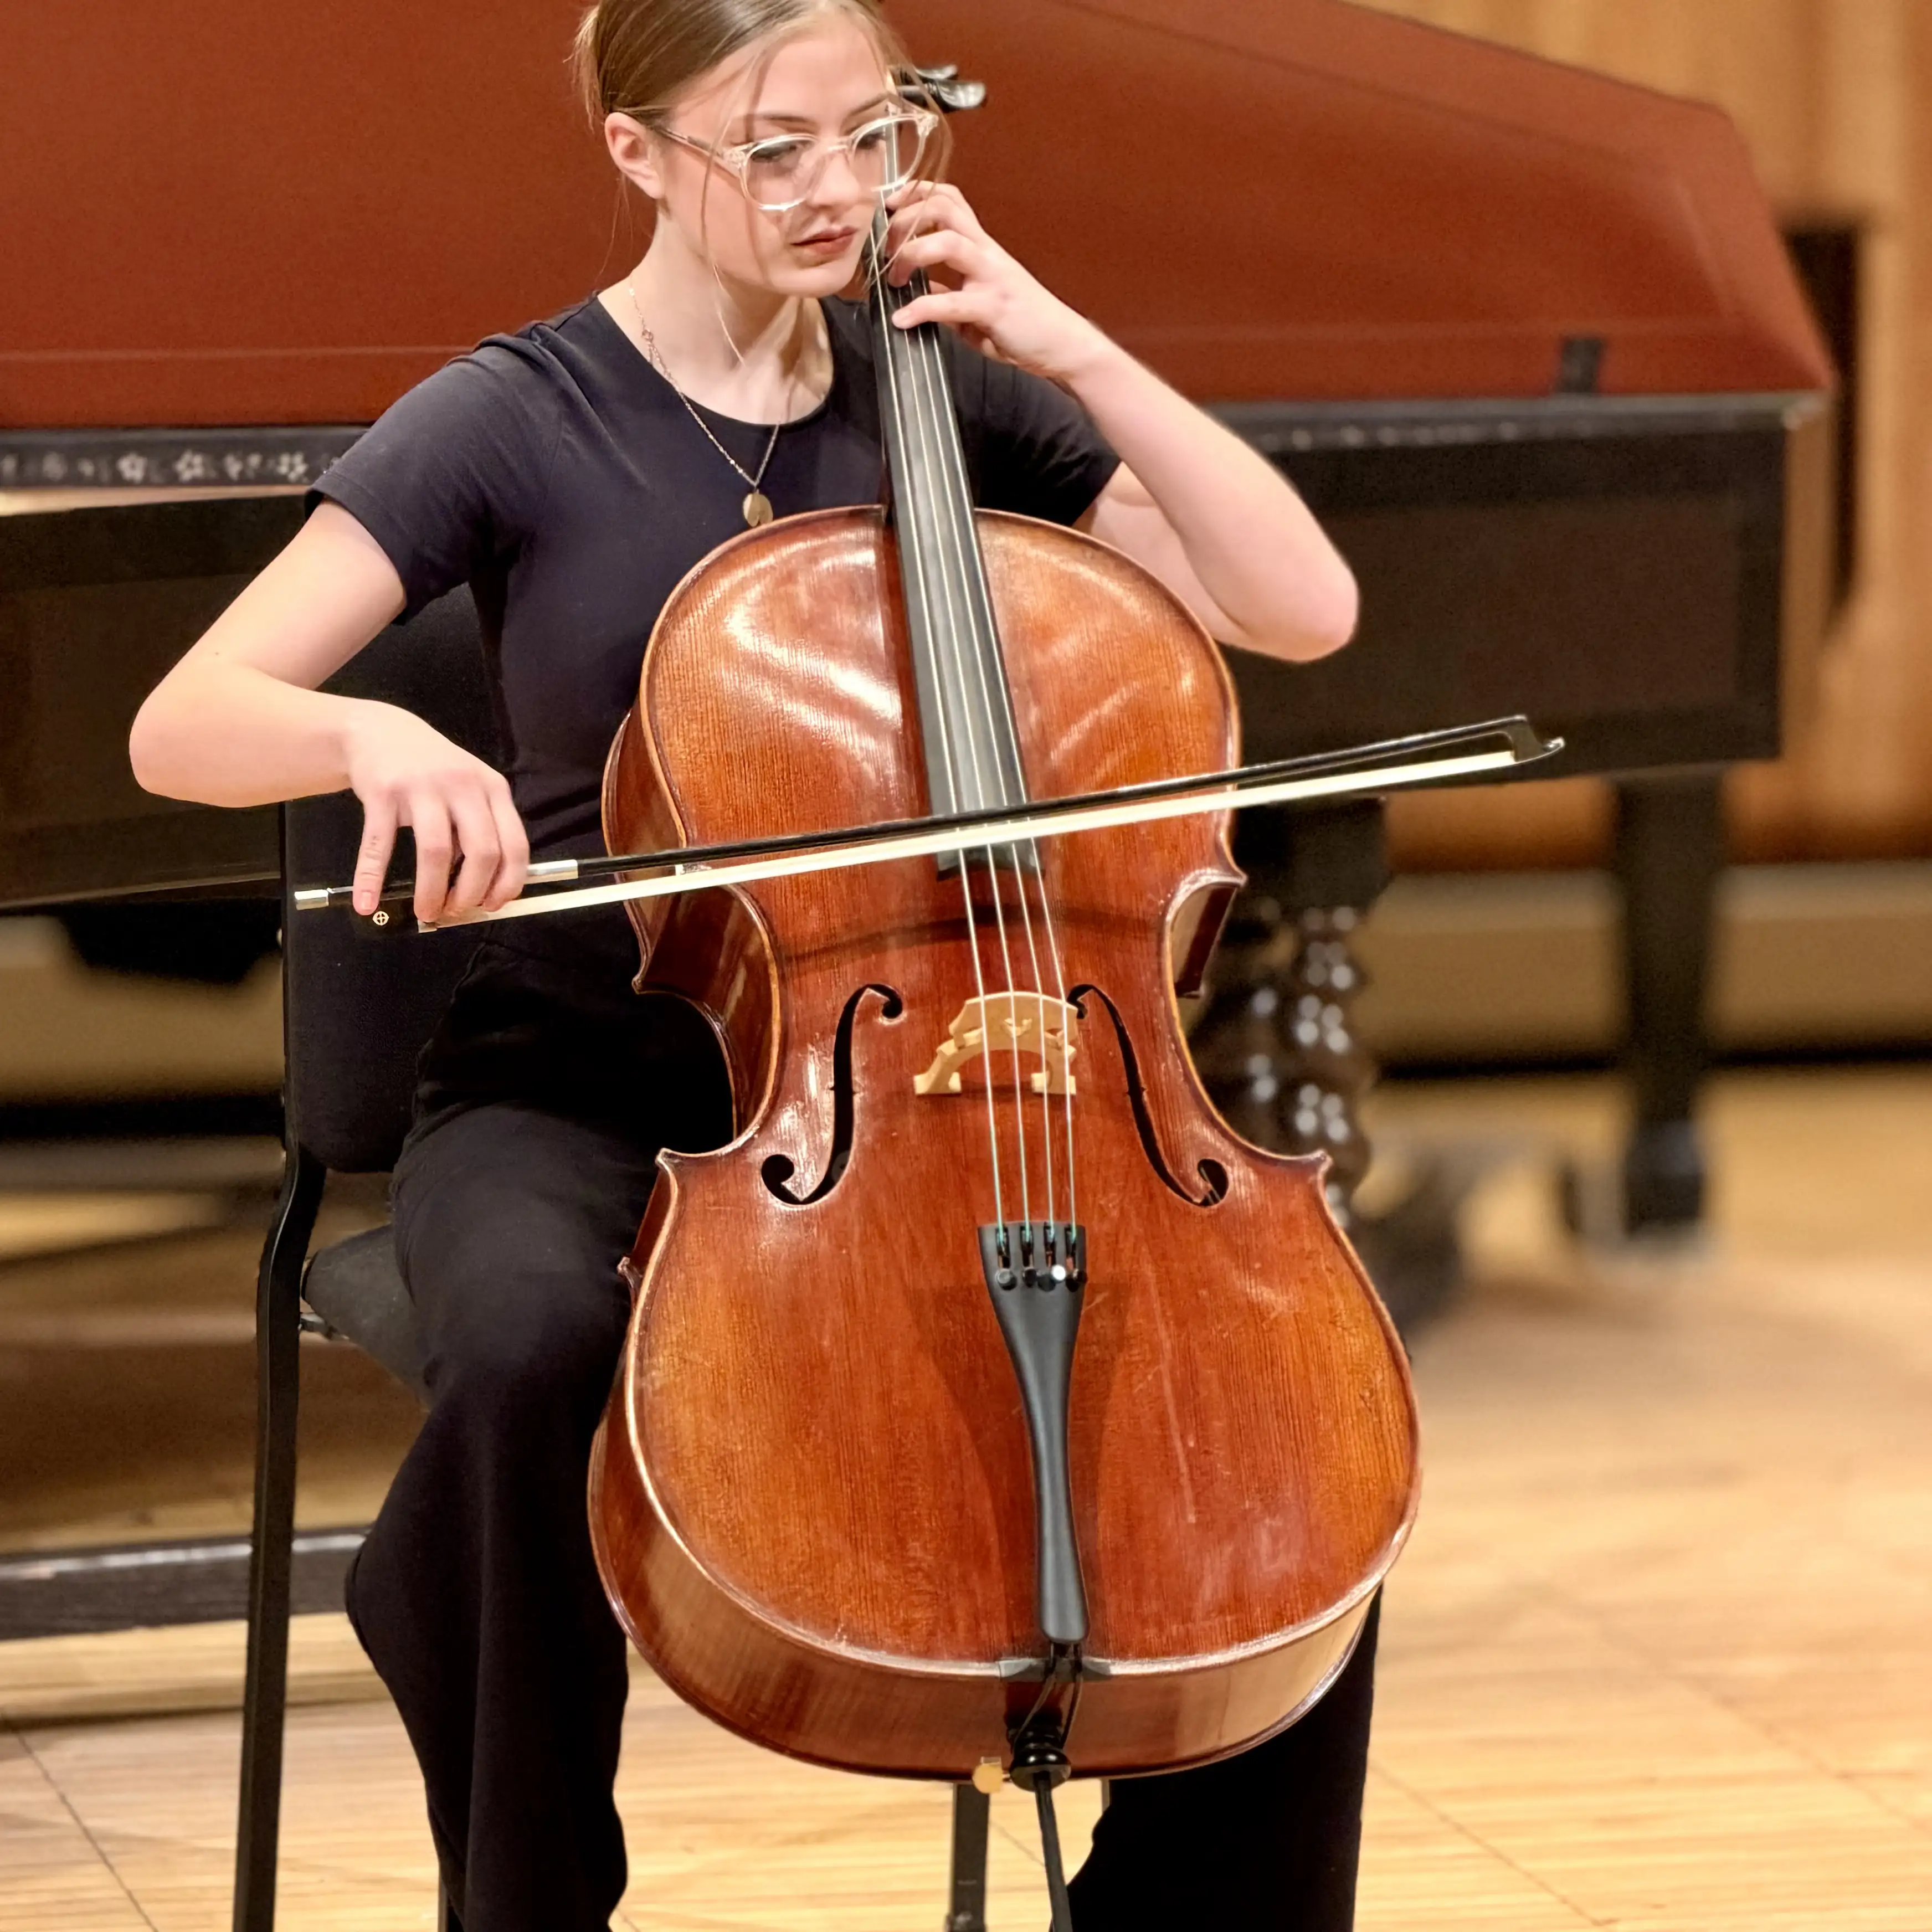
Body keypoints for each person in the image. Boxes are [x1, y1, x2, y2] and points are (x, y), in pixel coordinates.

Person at [130, 2, 1374, 1926]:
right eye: (772, 146)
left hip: (978, 1080)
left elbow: (1300, 608)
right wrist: (369, 737)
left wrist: (1058, 339)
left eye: (875, 136)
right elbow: (185, 719)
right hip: (580, 1072)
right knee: (532, 1352)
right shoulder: (516, 413)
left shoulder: (960, 394)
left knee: (1272, 1420)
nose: (841, 190)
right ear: (638, 156)